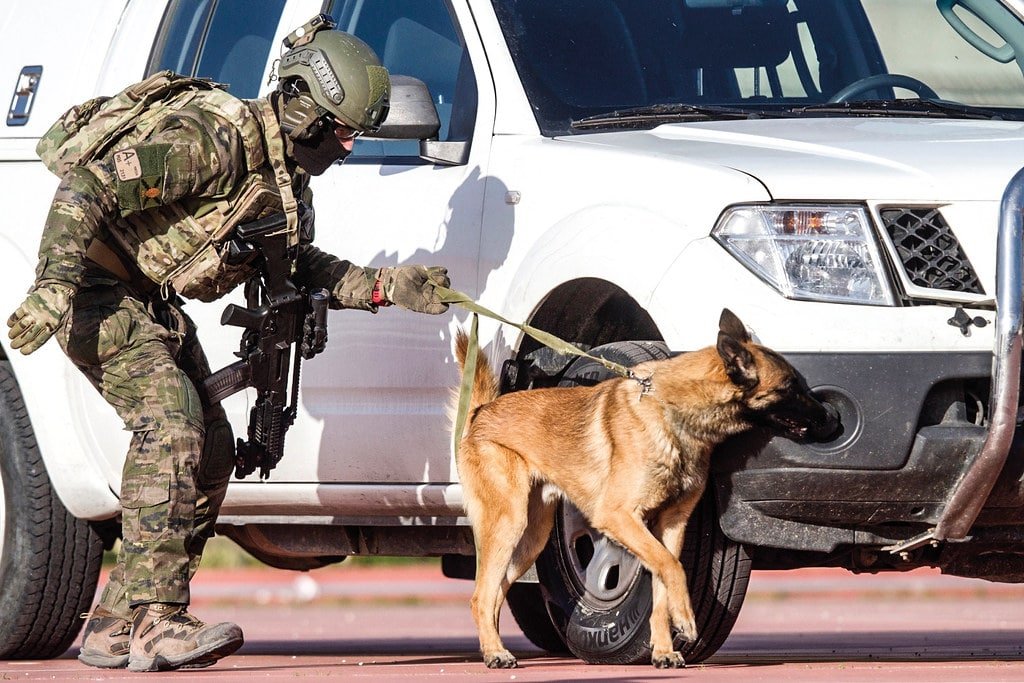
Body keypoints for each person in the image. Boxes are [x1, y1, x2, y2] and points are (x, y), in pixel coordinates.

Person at [6, 17, 450, 672]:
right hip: (94, 289)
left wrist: (387, 285)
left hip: (148, 299)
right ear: (306, 107)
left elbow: (299, 266)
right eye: (343, 130)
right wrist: (52, 285)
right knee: (173, 426)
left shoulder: (286, 181)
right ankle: (159, 620)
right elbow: (88, 187)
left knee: (211, 448)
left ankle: (115, 621)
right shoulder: (211, 142)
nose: (349, 147)